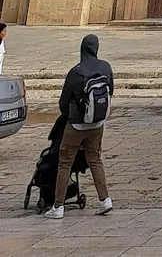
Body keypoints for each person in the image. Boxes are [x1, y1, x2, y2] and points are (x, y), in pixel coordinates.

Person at [44, 34, 114, 219]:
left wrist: (74, 113)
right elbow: (111, 92)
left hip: (76, 124)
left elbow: (63, 103)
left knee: (65, 162)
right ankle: (105, 200)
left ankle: (58, 206)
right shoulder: (105, 67)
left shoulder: (76, 71)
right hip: (98, 123)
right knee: (95, 159)